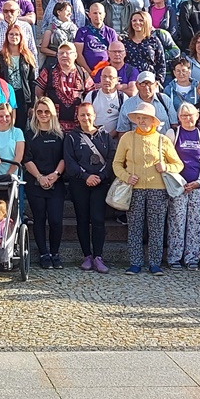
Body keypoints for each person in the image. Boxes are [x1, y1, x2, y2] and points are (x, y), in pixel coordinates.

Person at [114, 97, 182, 276]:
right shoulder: (127, 138)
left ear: (153, 120)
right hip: (134, 189)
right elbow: (117, 164)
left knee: (156, 227)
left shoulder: (162, 140)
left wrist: (166, 167)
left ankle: (155, 263)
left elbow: (178, 165)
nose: (141, 120)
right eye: (139, 117)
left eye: (145, 117)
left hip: (158, 190)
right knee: (135, 226)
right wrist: (127, 177)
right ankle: (135, 263)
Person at [63, 101, 115, 273]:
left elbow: (110, 160)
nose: (86, 118)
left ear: (94, 116)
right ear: (77, 117)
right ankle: (87, 256)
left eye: (88, 114)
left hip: (100, 185)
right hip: (80, 184)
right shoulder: (71, 137)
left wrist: (100, 177)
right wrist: (85, 176)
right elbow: (70, 162)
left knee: (98, 220)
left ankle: (98, 256)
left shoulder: (104, 136)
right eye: (82, 114)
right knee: (82, 220)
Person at [165, 103, 200, 270]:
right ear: (178, 117)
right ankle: (174, 257)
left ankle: (192, 258)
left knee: (196, 223)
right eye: (183, 115)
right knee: (177, 221)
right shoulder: (173, 133)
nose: (187, 118)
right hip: (178, 186)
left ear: (197, 115)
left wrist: (199, 181)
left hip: (198, 186)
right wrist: (180, 181)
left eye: (190, 115)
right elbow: (166, 158)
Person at [22, 97, 66, 268]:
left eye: (46, 111)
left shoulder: (60, 135)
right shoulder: (29, 134)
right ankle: (43, 254)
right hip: (35, 182)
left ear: (52, 113)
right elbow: (26, 159)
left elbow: (64, 158)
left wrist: (55, 175)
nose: (43, 114)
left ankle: (55, 253)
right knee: (39, 219)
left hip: (56, 182)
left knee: (56, 220)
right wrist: (40, 177)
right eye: (39, 111)